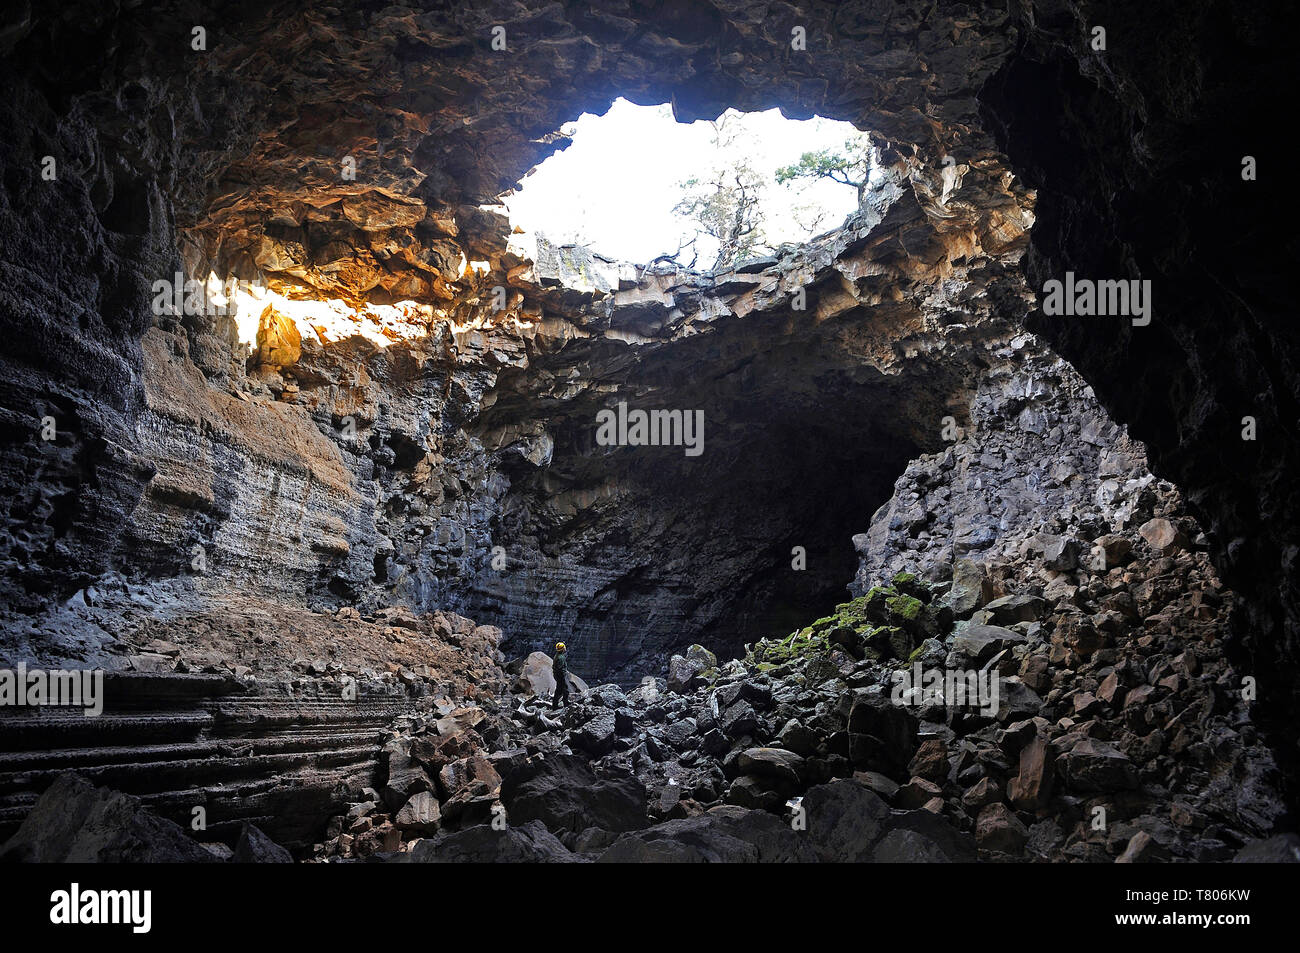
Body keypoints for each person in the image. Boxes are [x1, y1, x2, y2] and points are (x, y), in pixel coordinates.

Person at [551, 642, 570, 709]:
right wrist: (563, 676)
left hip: (557, 675)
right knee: (565, 690)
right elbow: (560, 668)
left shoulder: (557, 655)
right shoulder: (561, 657)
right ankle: (565, 704)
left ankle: (555, 705)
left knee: (560, 690)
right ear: (563, 649)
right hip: (560, 676)